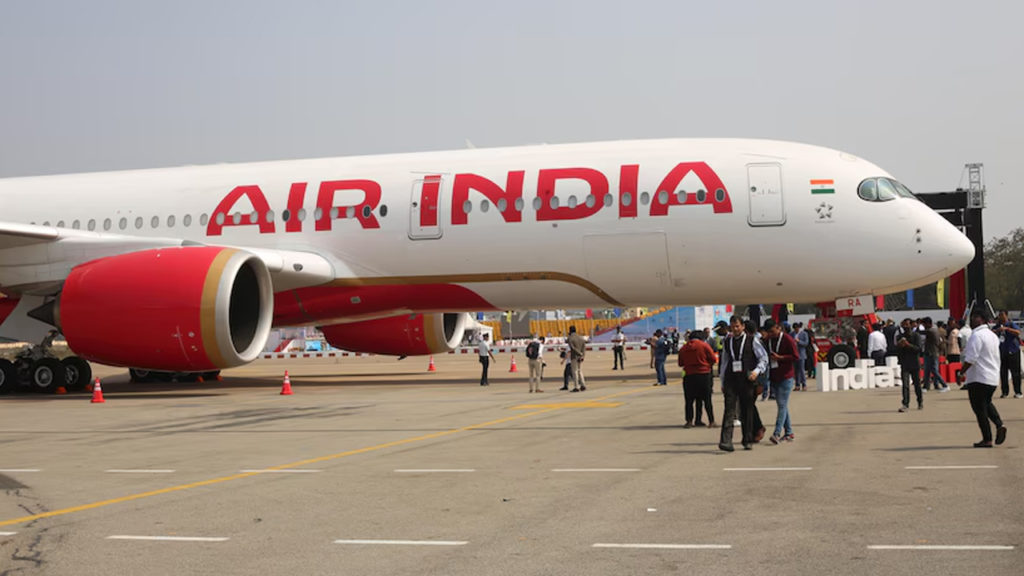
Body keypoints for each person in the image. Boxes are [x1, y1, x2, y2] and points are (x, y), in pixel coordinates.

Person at [957, 309, 1008, 448]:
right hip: (992, 378)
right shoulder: (992, 335)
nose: (973, 320)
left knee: (979, 410)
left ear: (983, 319)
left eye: (976, 317)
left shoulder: (977, 336)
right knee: (987, 403)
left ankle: (987, 439)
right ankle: (999, 425)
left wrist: (961, 373)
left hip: (979, 378)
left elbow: (971, 359)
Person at [718, 316, 768, 452]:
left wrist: (756, 372)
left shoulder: (752, 340)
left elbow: (763, 358)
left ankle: (747, 439)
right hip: (731, 379)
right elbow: (724, 363)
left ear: (743, 327)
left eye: (737, 326)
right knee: (729, 410)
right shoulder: (727, 341)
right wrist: (722, 381)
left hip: (747, 379)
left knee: (746, 410)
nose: (735, 329)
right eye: (733, 327)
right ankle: (726, 441)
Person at [764, 319, 798, 443]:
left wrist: (781, 358)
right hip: (774, 376)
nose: (771, 334)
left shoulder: (788, 339)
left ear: (778, 328)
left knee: (782, 405)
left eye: (773, 331)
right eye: (769, 332)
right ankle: (789, 432)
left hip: (786, 377)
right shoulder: (768, 340)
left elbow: (795, 356)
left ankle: (777, 433)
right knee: (782, 405)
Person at [679, 330, 716, 428]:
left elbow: (680, 363)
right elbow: (713, 359)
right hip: (704, 375)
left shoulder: (684, 347)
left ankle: (689, 421)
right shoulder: (704, 346)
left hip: (689, 376)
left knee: (689, 400)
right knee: (706, 399)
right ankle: (711, 421)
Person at [895, 318, 923, 411]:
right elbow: (897, 350)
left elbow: (918, 349)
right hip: (905, 363)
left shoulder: (916, 336)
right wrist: (900, 345)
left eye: (907, 325)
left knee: (917, 384)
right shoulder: (899, 336)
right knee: (905, 385)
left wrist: (907, 344)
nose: (905, 327)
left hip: (914, 363)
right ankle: (905, 404)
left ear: (911, 325)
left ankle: (920, 401)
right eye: (904, 325)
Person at [993, 311, 1022, 398]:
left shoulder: (1010, 324)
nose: (1000, 316)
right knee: (1003, 373)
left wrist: (1007, 329)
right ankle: (1005, 392)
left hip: (1013, 351)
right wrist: (997, 330)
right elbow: (991, 332)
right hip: (1002, 352)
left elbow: (1018, 332)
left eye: (1002, 315)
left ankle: (1018, 392)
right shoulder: (998, 326)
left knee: (1015, 373)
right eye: (999, 315)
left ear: (1006, 315)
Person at [921, 318, 949, 392]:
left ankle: (945, 385)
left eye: (924, 325)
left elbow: (922, 332)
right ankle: (926, 386)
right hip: (931, 353)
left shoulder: (932, 330)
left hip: (932, 353)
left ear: (928, 324)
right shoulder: (935, 330)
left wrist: (915, 330)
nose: (923, 326)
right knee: (927, 371)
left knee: (934, 370)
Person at [567, 325, 587, 392]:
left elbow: (572, 348)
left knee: (574, 371)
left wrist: (579, 353)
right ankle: (583, 385)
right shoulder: (581, 338)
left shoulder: (571, 338)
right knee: (579, 370)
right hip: (580, 357)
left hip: (574, 356)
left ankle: (576, 387)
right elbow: (584, 348)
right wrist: (582, 355)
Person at [792, 323, 809, 391]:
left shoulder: (804, 334)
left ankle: (804, 385)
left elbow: (806, 343)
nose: (796, 330)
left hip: (801, 354)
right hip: (794, 354)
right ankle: (797, 385)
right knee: (796, 371)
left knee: (802, 370)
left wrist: (799, 342)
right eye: (795, 329)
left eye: (797, 329)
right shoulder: (791, 334)